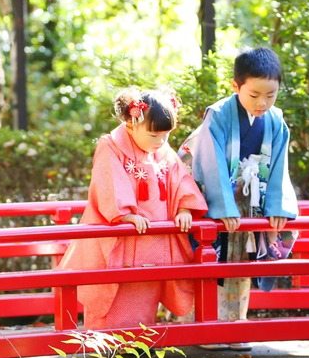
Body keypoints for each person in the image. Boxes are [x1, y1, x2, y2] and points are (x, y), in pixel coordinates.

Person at [58, 86, 208, 330]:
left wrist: (184, 209)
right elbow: (108, 181)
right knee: (114, 293)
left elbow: (180, 180)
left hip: (153, 241)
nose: (160, 142)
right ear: (131, 124)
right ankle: (106, 344)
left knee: (145, 293)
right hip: (122, 238)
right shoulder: (111, 146)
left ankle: (139, 344)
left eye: (165, 135)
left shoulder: (162, 150)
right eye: (154, 135)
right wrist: (125, 213)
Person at [179, 47, 298, 349]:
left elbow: (280, 165)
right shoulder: (218, 115)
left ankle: (236, 325)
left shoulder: (276, 121)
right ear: (236, 86)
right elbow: (210, 161)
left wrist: (276, 206)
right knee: (211, 260)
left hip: (251, 202)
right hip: (215, 202)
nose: (263, 103)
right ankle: (205, 326)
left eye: (270, 95)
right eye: (254, 94)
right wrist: (223, 207)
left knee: (243, 261)